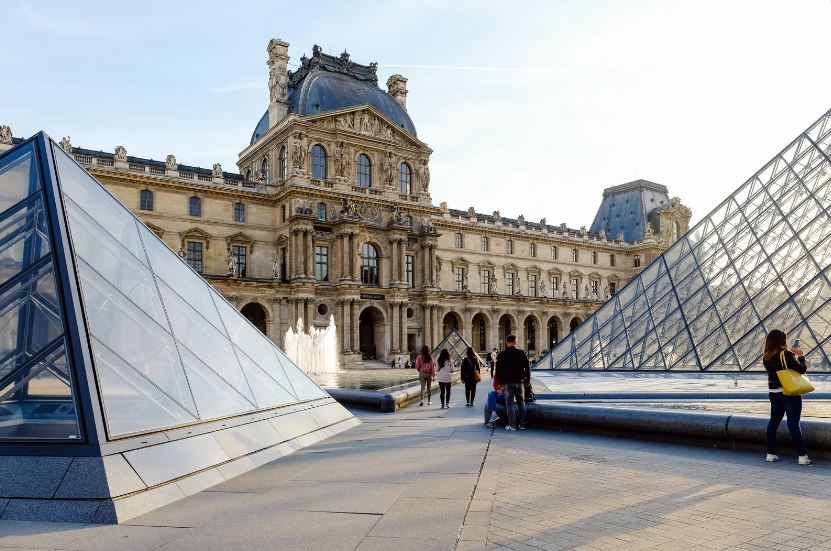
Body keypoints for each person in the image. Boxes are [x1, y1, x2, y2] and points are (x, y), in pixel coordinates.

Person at [762, 330, 810, 465]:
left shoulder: (766, 356)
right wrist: (800, 356)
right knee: (793, 425)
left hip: (773, 393)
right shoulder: (786, 354)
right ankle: (802, 456)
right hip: (789, 393)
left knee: (773, 423)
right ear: (783, 341)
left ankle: (770, 454)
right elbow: (802, 369)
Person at [495, 335, 529, 431]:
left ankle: (512, 425)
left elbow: (498, 370)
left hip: (507, 383)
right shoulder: (521, 353)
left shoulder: (501, 355)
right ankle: (522, 425)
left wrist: (501, 383)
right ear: (515, 342)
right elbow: (527, 367)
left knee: (509, 404)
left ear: (506, 342)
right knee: (521, 403)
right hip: (519, 381)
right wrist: (528, 380)